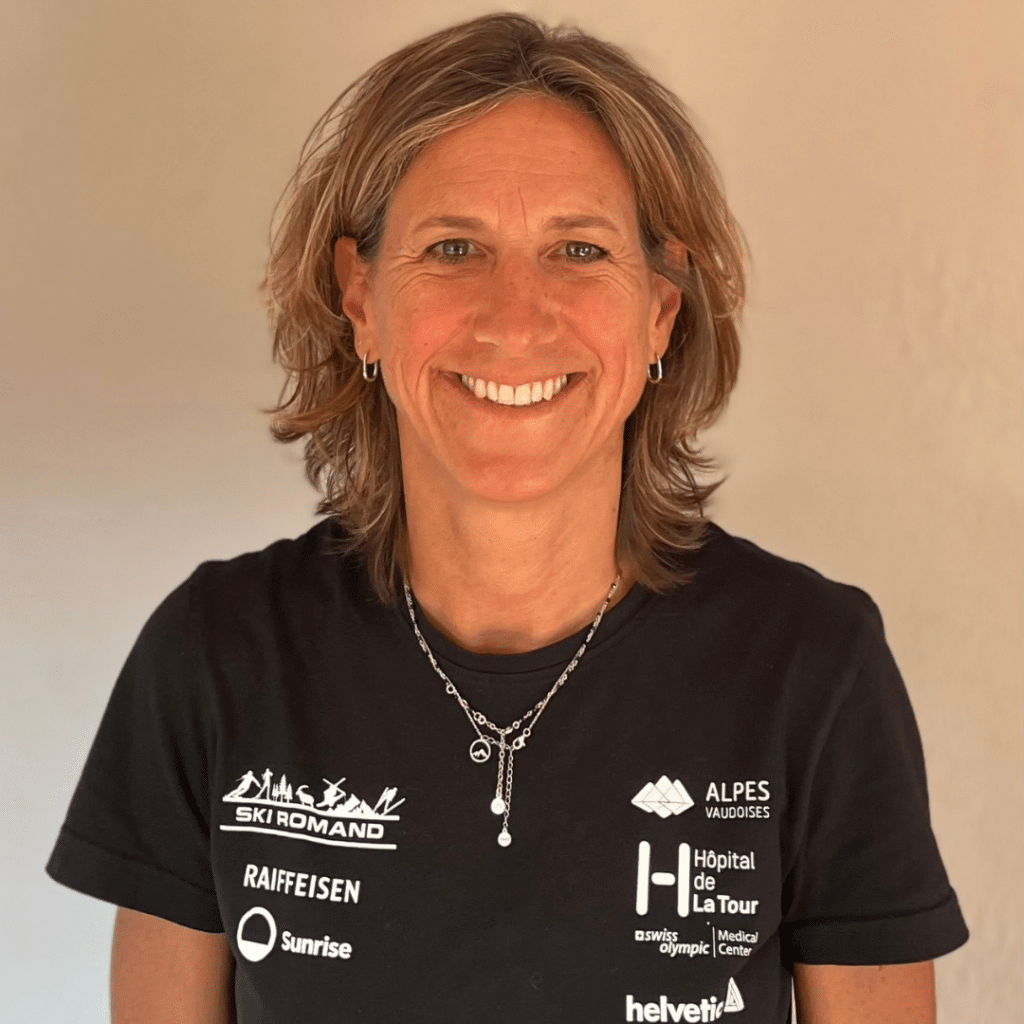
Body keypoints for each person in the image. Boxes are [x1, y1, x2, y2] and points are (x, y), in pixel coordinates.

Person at [46, 12, 968, 1023]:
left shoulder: (811, 667)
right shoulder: (215, 656)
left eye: (578, 248)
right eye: (453, 247)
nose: (515, 318)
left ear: (659, 310)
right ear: (362, 299)